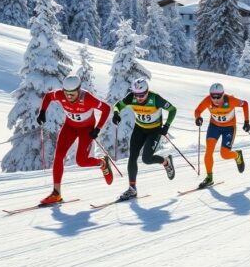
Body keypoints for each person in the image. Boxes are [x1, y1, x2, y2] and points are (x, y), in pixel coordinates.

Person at [36, 74, 113, 205]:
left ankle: (102, 163)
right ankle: (56, 193)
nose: (69, 97)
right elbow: (49, 96)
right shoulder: (60, 94)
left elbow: (106, 108)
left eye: (72, 94)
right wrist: (42, 111)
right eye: (67, 93)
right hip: (69, 127)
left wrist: (98, 129)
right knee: (59, 156)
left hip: (86, 129)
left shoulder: (87, 98)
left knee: (81, 161)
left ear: (79, 90)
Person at [111, 77, 177, 201]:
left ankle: (166, 162)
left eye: (142, 95)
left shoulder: (155, 98)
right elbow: (117, 105)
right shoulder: (131, 97)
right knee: (132, 157)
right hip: (139, 129)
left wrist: (166, 126)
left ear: (147, 91)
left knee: (146, 159)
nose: (139, 98)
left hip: (154, 131)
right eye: (137, 95)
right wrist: (116, 113)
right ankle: (132, 189)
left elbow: (173, 110)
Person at [193, 83, 249, 189]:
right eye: (213, 96)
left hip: (229, 128)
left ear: (223, 95)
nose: (216, 99)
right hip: (214, 126)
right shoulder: (207, 101)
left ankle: (237, 155)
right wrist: (197, 118)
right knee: (209, 151)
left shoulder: (231, 100)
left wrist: (246, 122)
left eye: (218, 96)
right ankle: (209, 178)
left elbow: (245, 104)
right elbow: (198, 110)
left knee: (225, 154)